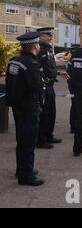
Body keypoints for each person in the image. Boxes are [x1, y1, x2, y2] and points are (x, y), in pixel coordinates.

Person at [5, 32, 45, 186]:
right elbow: (35, 86)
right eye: (38, 44)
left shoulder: (14, 61)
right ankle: (26, 176)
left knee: (21, 140)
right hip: (29, 107)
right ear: (35, 46)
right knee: (28, 142)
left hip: (17, 107)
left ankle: (21, 169)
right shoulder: (31, 64)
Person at [36, 27, 62, 149]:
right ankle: (41, 140)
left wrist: (58, 73)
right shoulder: (39, 50)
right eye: (48, 35)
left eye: (51, 35)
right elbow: (37, 69)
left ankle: (48, 135)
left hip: (51, 85)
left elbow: (50, 67)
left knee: (51, 113)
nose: (51, 37)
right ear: (41, 36)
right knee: (44, 114)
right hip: (44, 86)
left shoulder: (48, 50)